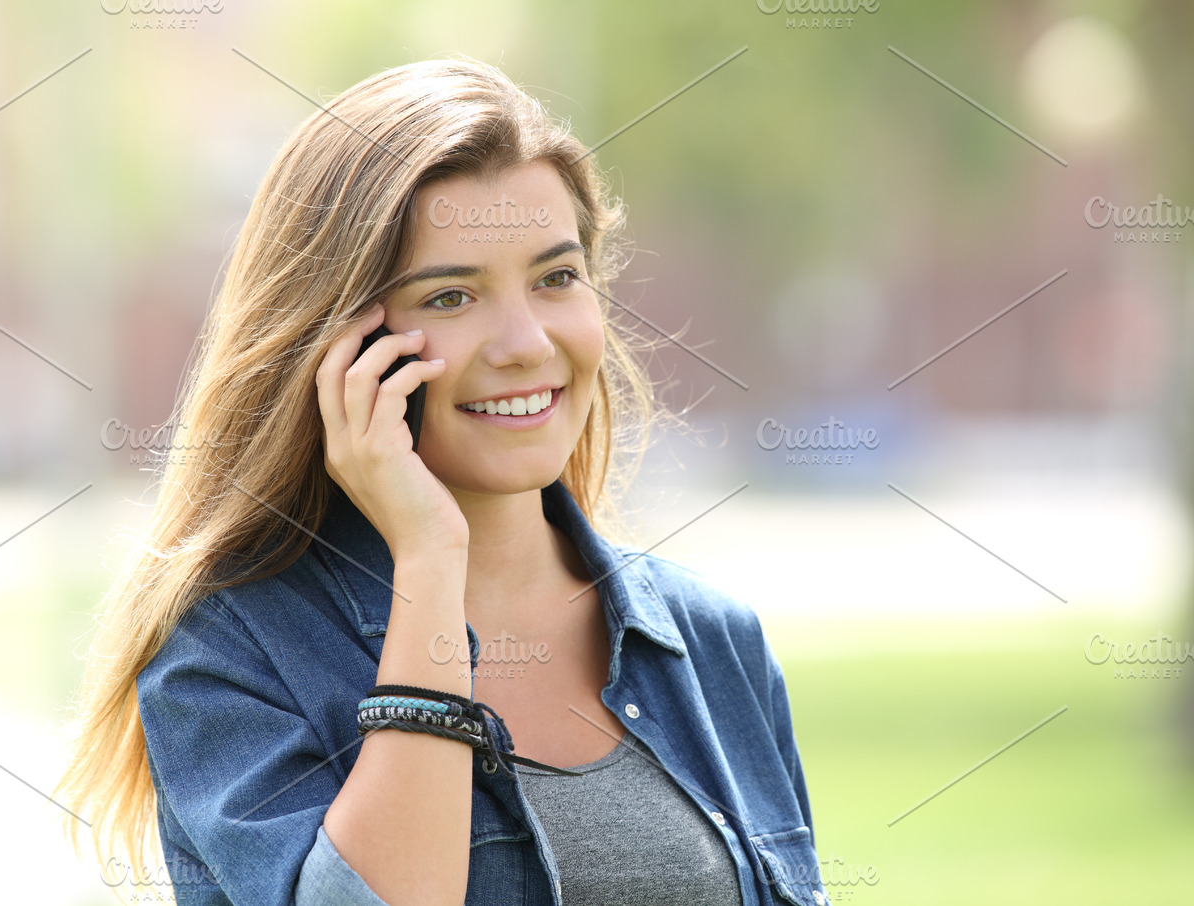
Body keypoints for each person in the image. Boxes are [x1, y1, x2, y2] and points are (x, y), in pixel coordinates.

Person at [57, 56, 828, 906]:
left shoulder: (711, 640)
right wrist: (429, 557)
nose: (527, 343)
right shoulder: (234, 658)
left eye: (556, 278)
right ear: (340, 349)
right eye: (452, 297)